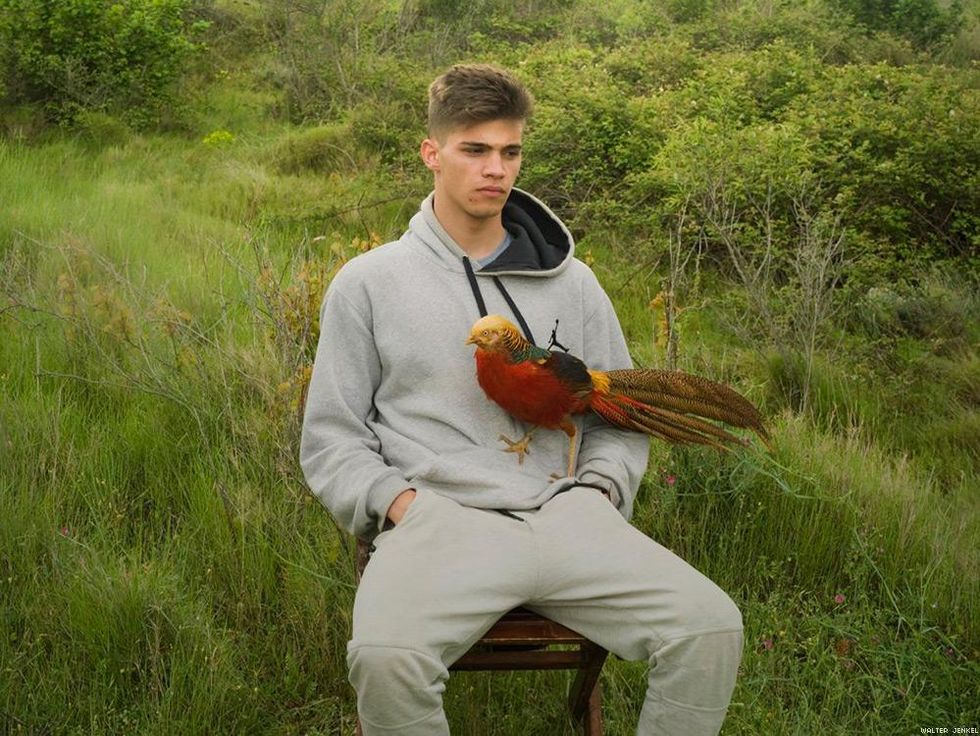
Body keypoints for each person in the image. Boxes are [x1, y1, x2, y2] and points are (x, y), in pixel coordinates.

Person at [300, 63, 742, 735]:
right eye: (474, 150)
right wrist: (402, 506)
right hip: (440, 522)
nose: (495, 170)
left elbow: (615, 414)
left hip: (571, 518)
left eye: (509, 152)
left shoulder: (575, 283)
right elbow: (333, 435)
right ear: (433, 154)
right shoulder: (369, 283)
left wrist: (598, 491)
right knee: (386, 658)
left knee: (710, 628)